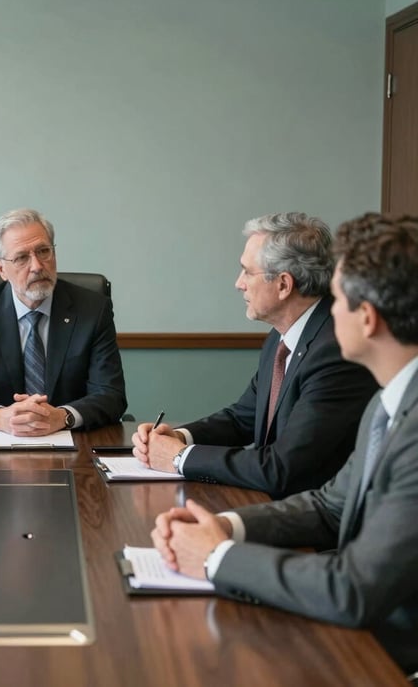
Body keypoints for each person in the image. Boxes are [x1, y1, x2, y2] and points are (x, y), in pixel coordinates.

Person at [151, 212, 418, 676]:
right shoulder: (388, 403)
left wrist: (216, 558)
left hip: (387, 650)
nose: (329, 310)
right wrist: (223, 527)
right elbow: (328, 506)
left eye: (338, 297)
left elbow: (353, 589)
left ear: (368, 319)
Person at [132, 212, 377, 497]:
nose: (239, 283)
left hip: (312, 523)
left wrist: (179, 458)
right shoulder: (283, 335)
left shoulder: (335, 351)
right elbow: (242, 418)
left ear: (284, 285)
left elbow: (282, 468)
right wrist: (180, 437)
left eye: (247, 272)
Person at [0, 208, 127, 436]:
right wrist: (0, 417)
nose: (37, 266)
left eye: (43, 251)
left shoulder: (93, 310)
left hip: (75, 443)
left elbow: (111, 394)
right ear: (1, 269)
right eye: (21, 258)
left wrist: (63, 416)